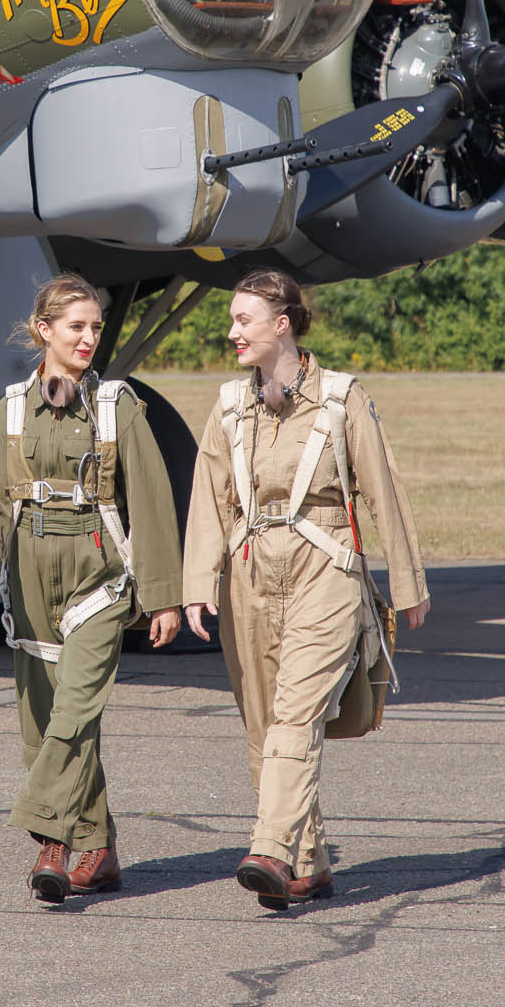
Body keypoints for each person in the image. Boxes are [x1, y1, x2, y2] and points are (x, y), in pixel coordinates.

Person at [182, 268, 430, 910]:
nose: (231, 331)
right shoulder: (230, 405)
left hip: (327, 570)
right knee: (263, 724)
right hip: (247, 573)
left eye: (244, 320)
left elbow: (384, 489)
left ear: (282, 324)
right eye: (232, 319)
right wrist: (195, 585)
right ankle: (311, 859)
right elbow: (209, 499)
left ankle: (268, 847)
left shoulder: (344, 399)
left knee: (295, 715)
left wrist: (408, 584)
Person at [0, 274, 183, 903]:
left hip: (101, 575)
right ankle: (101, 846)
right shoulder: (6, 411)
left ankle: (51, 842)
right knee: (42, 725)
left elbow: (152, 502)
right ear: (44, 331)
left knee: (75, 709)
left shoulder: (117, 407)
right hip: (28, 579)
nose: (89, 338)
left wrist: (163, 596)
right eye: (76, 327)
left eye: (95, 326)